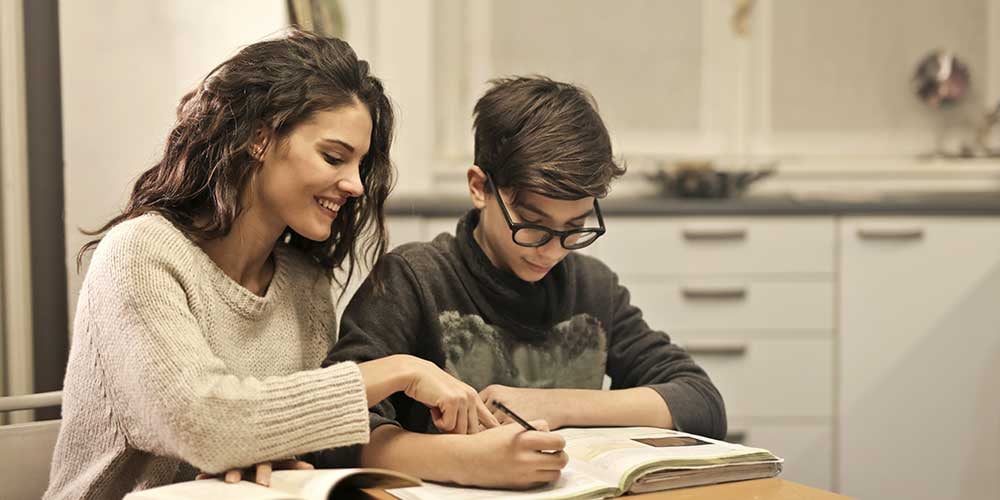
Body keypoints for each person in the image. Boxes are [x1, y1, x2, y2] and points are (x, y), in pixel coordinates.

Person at [44, 29, 501, 500]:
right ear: (259, 138)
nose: (355, 185)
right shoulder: (139, 254)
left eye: (360, 166)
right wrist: (400, 369)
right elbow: (205, 425)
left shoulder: (304, 284)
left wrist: (274, 449)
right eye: (334, 157)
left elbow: (287, 437)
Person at [323, 76, 727, 488]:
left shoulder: (592, 287)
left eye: (575, 226)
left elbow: (700, 401)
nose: (552, 251)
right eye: (532, 226)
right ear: (479, 187)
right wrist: (463, 460)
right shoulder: (414, 280)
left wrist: (554, 405)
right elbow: (330, 429)